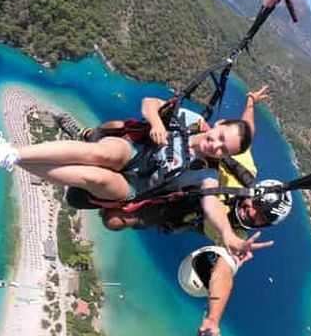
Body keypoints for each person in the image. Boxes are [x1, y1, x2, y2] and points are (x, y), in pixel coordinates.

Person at [0, 95, 272, 259]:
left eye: (222, 149)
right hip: (134, 151)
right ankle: (8, 154)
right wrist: (155, 121)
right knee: (103, 154)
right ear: (216, 125)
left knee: (98, 179)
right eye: (219, 136)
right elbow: (151, 102)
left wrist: (228, 235)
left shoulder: (206, 174)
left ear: (223, 157)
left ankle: (7, 153)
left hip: (137, 187)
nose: (215, 145)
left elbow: (212, 207)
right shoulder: (192, 122)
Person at [99, 85, 292, 238]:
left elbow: (225, 265)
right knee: (122, 128)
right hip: (184, 162)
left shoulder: (238, 234)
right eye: (256, 204)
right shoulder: (244, 171)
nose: (251, 212)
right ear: (254, 191)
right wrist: (250, 102)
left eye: (259, 218)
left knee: (112, 220)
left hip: (171, 205)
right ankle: (92, 134)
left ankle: (106, 196)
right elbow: (247, 132)